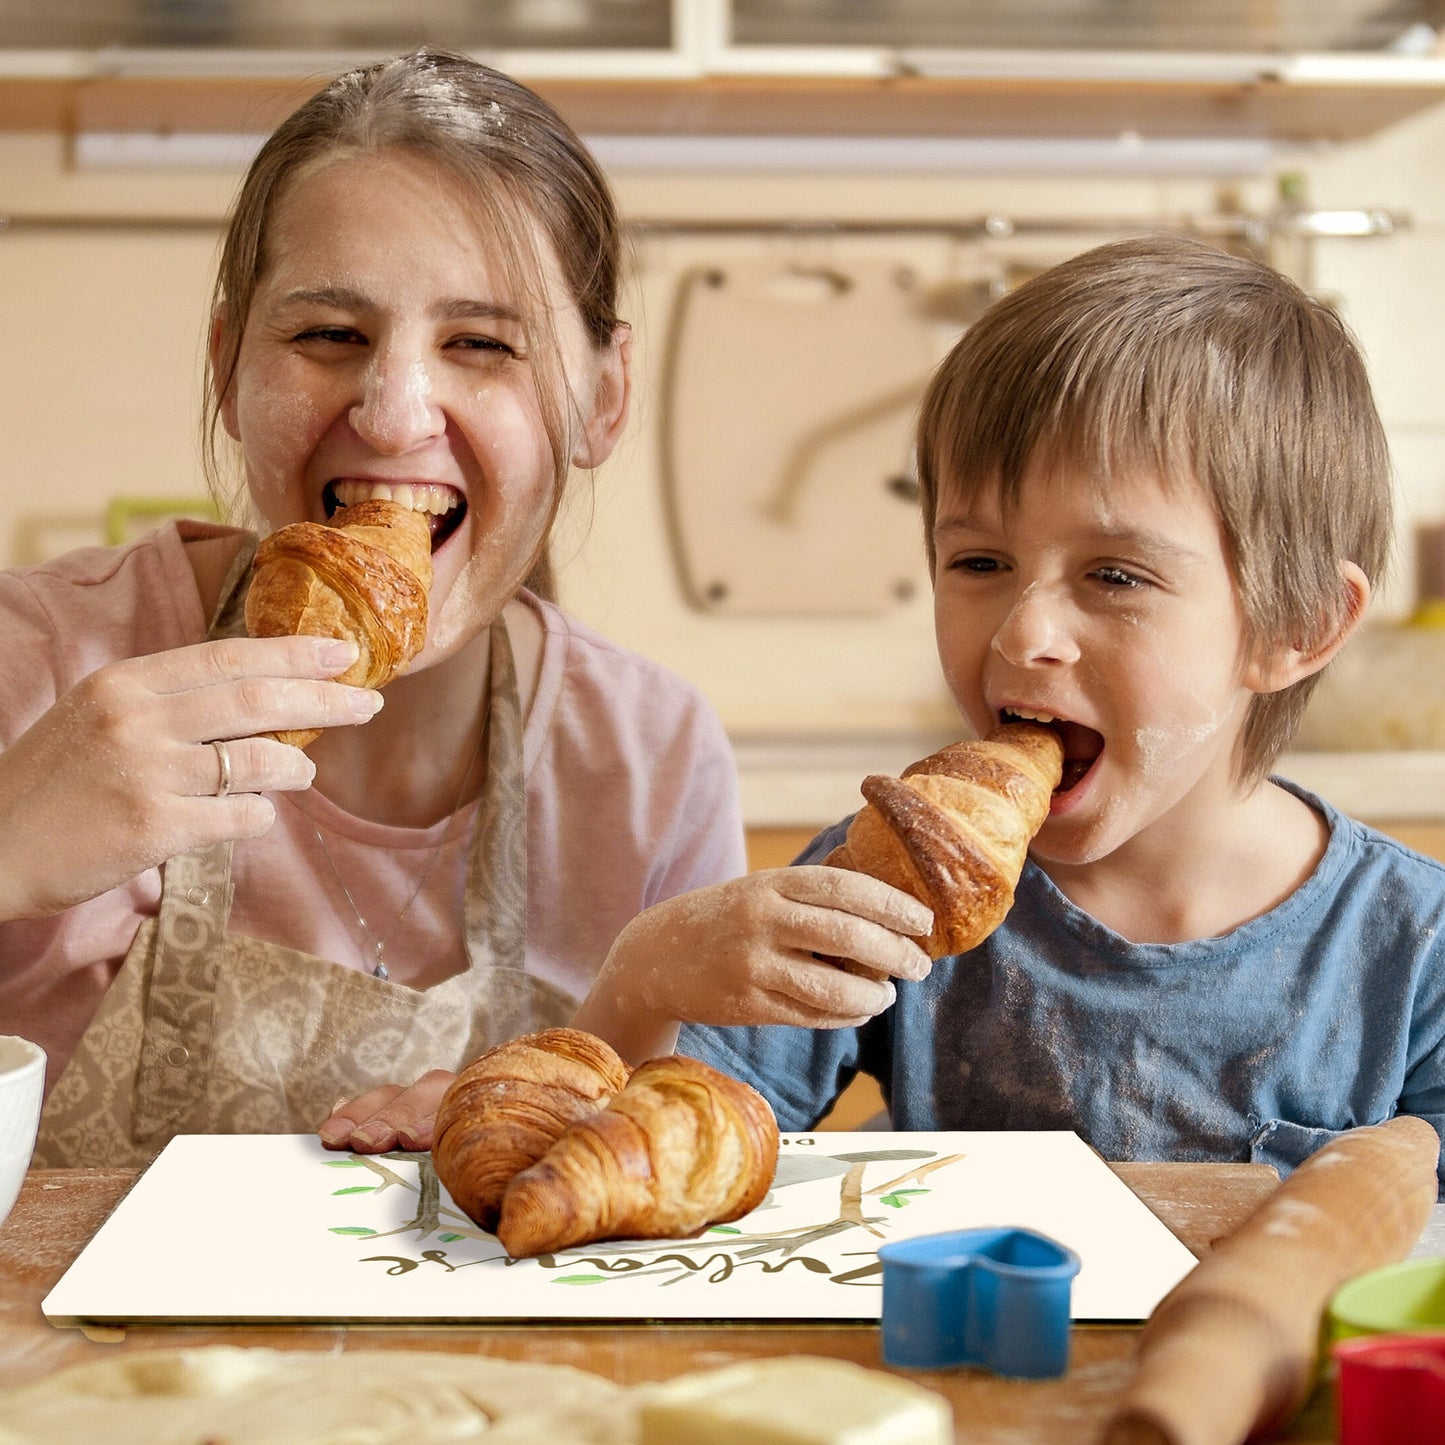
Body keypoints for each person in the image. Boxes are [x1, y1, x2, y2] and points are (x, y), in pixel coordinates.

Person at [3, 48, 751, 1169]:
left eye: (482, 344)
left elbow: (691, 1177)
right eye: (326, 335)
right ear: (226, 366)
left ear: (601, 398)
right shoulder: (43, 662)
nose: (397, 413)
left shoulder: (647, 759)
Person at [587, 233, 1445, 1189]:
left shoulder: (1414, 951)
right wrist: (642, 976)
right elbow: (658, 1156)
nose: (1022, 632)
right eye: (979, 563)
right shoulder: (890, 879)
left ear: (1298, 623)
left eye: (1114, 574)